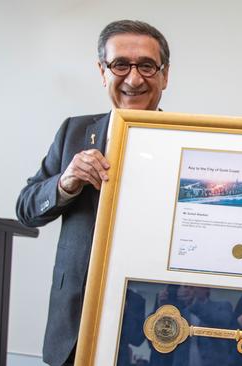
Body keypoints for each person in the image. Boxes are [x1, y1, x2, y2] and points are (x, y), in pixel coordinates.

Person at [15, 19, 170, 366]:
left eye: (147, 65)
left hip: (159, 325)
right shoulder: (74, 131)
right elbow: (26, 209)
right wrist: (64, 183)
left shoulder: (189, 143)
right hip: (74, 325)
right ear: (103, 72)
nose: (134, 78)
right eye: (120, 65)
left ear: (164, 75)